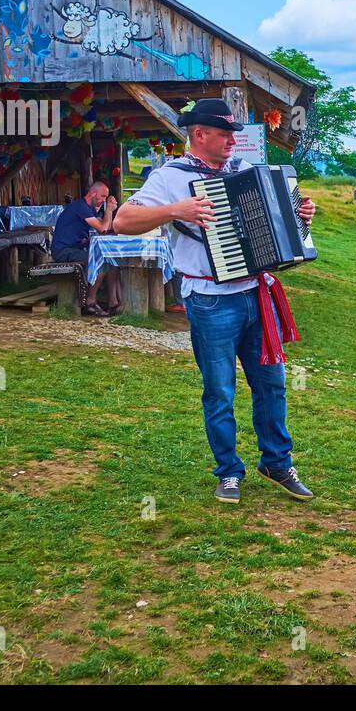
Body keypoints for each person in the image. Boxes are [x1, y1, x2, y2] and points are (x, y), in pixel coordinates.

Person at [112, 98, 317, 506]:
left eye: (233, 135)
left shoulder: (245, 172)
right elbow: (122, 221)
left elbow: (277, 223)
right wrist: (176, 209)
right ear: (199, 134)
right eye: (224, 135)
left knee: (272, 386)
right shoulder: (170, 177)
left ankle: (277, 462)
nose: (231, 142)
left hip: (256, 294)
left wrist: (301, 215)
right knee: (220, 391)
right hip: (209, 300)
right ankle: (228, 471)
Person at [51, 181, 121, 316]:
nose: (103, 200)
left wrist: (109, 211)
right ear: (93, 193)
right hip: (63, 251)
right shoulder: (80, 207)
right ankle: (89, 302)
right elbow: (103, 229)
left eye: (106, 198)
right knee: (100, 261)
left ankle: (113, 302)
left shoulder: (88, 209)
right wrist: (108, 210)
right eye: (102, 197)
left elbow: (108, 227)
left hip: (75, 249)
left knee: (112, 261)